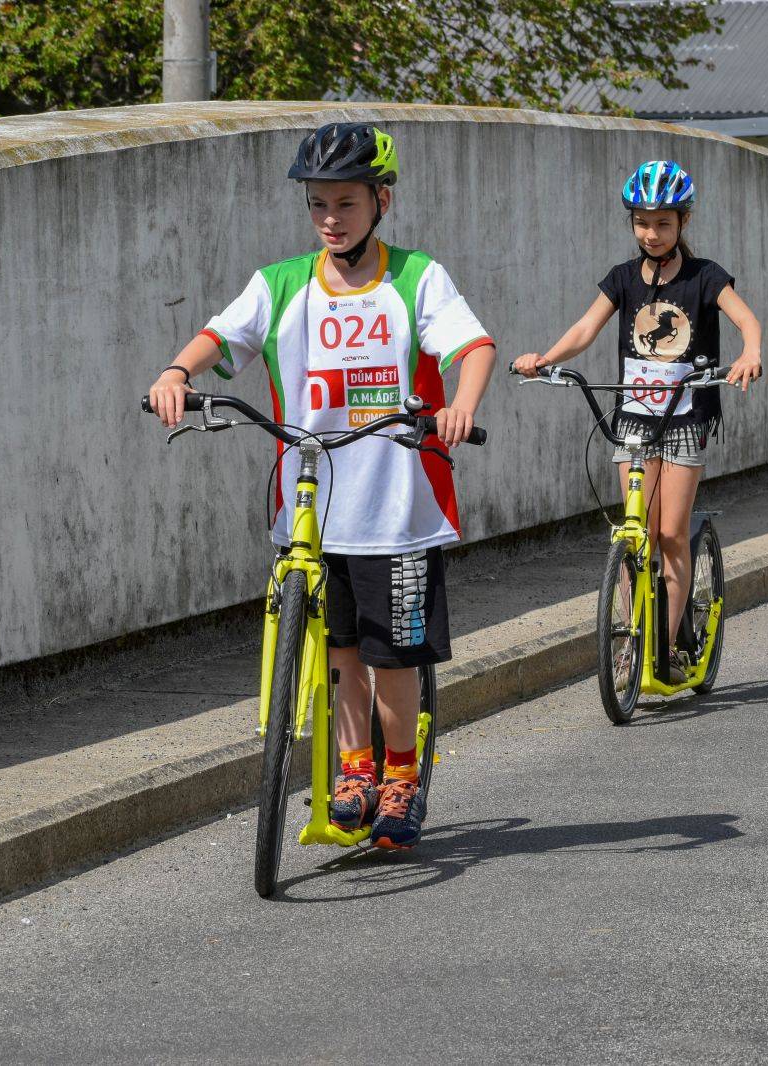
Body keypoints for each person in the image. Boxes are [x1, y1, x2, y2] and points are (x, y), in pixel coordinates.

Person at [146, 123, 498, 849]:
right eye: (317, 204)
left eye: (346, 203)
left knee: (391, 656)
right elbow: (221, 337)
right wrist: (177, 372)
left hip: (396, 505)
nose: (330, 218)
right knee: (340, 652)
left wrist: (461, 404)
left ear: (380, 203)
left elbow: (473, 346)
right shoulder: (280, 284)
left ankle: (401, 778)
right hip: (312, 501)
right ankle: (355, 770)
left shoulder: (416, 277)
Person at [514, 162, 763, 675]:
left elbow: (747, 320)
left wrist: (750, 352)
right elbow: (586, 328)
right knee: (635, 533)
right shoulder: (623, 279)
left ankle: (665, 647)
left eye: (663, 223)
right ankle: (631, 642)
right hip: (633, 418)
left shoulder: (705, 276)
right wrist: (546, 359)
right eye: (642, 222)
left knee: (670, 534)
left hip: (686, 419)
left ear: (683, 221)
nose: (651, 233)